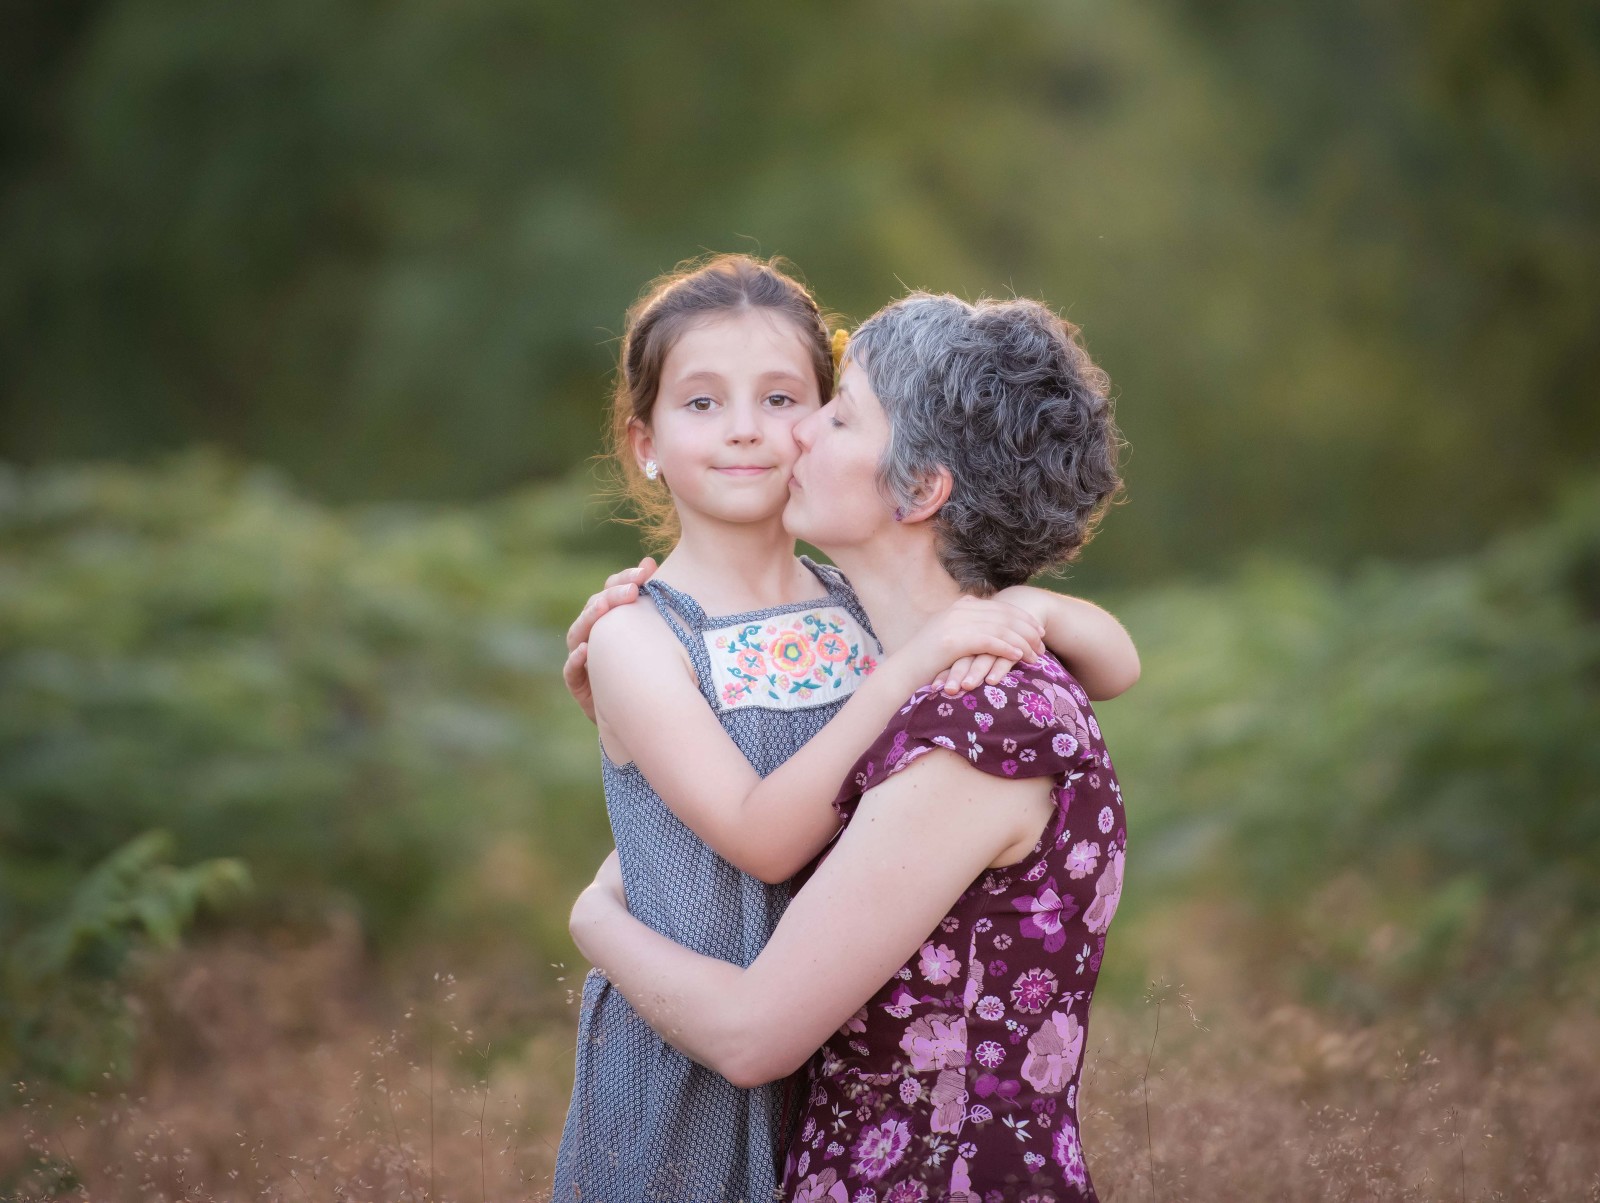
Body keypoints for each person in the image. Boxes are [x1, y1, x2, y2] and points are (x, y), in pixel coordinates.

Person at [552, 257, 1138, 1203]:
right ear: (645, 438)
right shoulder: (907, 650)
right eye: (702, 403)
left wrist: (592, 917)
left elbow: (1115, 658)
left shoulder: (934, 673)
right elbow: (742, 825)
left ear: (920, 489)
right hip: (695, 1085)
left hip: (860, 1122)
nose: (767, 431)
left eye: (818, 406)